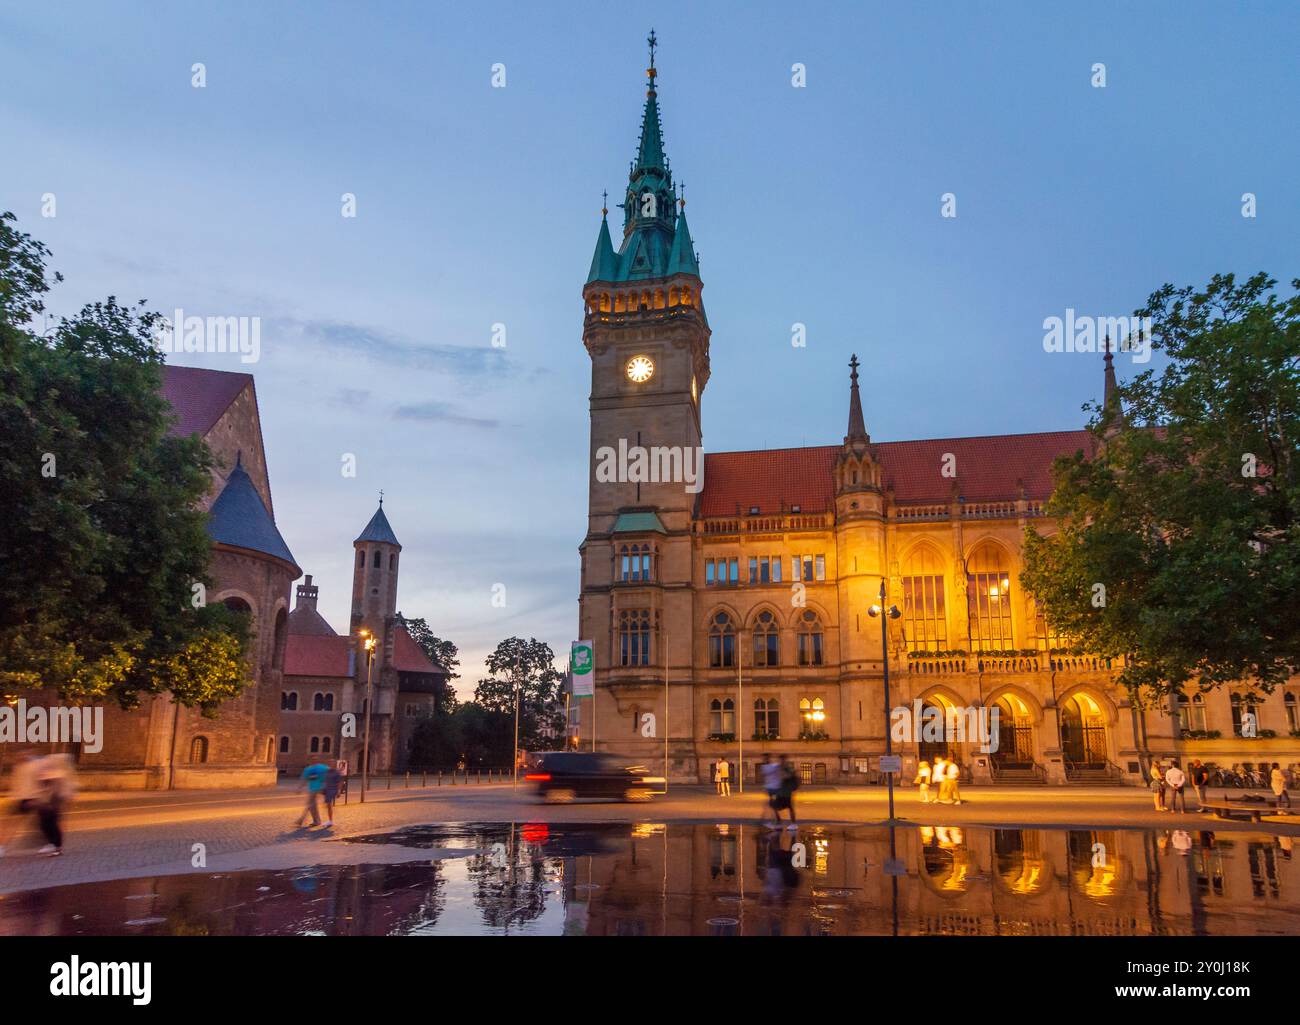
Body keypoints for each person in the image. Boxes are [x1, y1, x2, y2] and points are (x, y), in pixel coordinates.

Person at [32, 754, 76, 856]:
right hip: (46, 801)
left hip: (54, 802)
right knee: (44, 824)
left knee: (52, 824)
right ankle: (52, 844)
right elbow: (44, 787)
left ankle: (57, 847)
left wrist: (55, 802)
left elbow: (60, 790)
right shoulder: (50, 772)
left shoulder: (60, 774)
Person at [0, 752, 43, 857]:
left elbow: (39, 782)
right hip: (19, 798)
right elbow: (16, 783)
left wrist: (35, 797)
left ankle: (2, 847)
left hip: (30, 798)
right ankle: (2, 846)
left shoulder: (35, 765)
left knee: (13, 824)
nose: (19, 756)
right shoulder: (18, 767)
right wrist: (13, 796)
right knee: (10, 823)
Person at [298, 757, 329, 828]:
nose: (313, 761)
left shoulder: (322, 767)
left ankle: (301, 819)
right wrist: (299, 787)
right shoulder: (308, 769)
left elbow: (330, 772)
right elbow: (304, 779)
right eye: (312, 760)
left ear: (317, 761)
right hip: (312, 788)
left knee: (310, 803)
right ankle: (316, 821)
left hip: (320, 788)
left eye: (315, 760)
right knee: (312, 806)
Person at [760, 753, 783, 825]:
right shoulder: (765, 767)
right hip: (770, 787)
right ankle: (776, 817)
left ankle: (774, 818)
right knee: (771, 803)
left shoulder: (772, 766)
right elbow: (764, 776)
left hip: (775, 786)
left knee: (772, 803)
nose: (764, 760)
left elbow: (780, 770)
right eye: (764, 758)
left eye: (765, 758)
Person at [777, 755, 800, 830]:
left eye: (782, 760)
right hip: (781, 791)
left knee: (790, 808)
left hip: (787, 792)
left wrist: (783, 775)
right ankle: (779, 822)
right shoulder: (781, 767)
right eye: (780, 760)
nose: (781, 761)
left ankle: (793, 824)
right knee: (775, 806)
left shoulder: (788, 767)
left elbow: (789, 776)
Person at [322, 761, 342, 826]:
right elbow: (325, 780)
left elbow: (339, 782)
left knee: (328, 804)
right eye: (330, 763)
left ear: (335, 765)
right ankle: (330, 820)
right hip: (327, 789)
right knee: (328, 805)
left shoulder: (336, 773)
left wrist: (339, 791)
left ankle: (330, 821)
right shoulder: (327, 771)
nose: (330, 764)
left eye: (332, 763)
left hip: (332, 790)